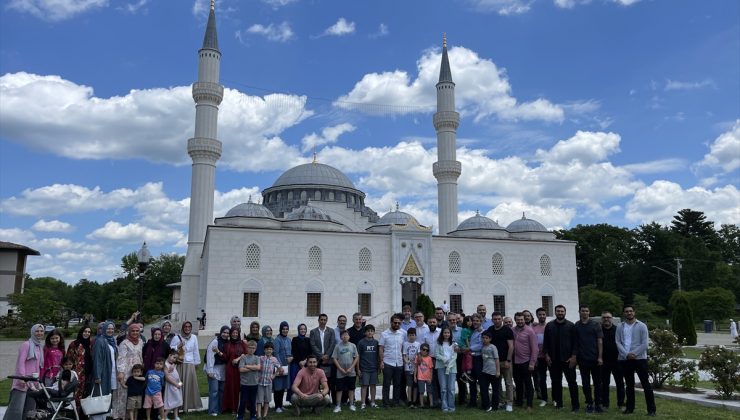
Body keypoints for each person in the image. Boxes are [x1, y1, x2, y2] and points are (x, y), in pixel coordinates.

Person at [616, 304, 656, 416]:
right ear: (624, 313)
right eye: (626, 311)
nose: (629, 313)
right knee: (629, 385)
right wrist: (626, 354)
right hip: (625, 359)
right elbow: (618, 342)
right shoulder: (620, 326)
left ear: (634, 312)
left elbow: (645, 343)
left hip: (640, 359)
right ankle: (629, 408)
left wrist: (634, 354)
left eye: (631, 311)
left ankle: (651, 410)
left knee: (646, 384)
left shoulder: (642, 326)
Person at [543, 304, 580, 412]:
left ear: (565, 312)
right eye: (558, 311)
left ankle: (575, 406)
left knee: (572, 383)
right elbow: (546, 343)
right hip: (554, 360)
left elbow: (576, 343)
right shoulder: (549, 326)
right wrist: (547, 355)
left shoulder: (571, 326)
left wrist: (574, 357)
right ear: (555, 312)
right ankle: (559, 404)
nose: (560, 313)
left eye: (562, 311)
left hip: (568, 360)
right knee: (556, 382)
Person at [4, 324, 44, 420]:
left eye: (41, 331)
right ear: (32, 332)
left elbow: (38, 365)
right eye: (37, 331)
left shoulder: (39, 346)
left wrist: (38, 380)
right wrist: (22, 378)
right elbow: (20, 363)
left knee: (30, 410)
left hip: (33, 382)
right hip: (23, 381)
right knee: (17, 409)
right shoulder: (26, 345)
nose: (39, 333)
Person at [575, 304, 604, 413]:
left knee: (597, 383)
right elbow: (576, 342)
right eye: (583, 311)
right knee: (585, 383)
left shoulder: (595, 324)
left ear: (589, 312)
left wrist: (600, 357)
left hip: (595, 358)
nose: (585, 313)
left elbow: (600, 341)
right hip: (583, 359)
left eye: (587, 311)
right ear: (580, 312)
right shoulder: (577, 325)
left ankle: (598, 404)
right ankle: (589, 403)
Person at [170, 321, 202, 412]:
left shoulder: (194, 337)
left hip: (190, 364)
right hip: (179, 364)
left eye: (189, 327)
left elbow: (195, 350)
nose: (187, 328)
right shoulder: (176, 337)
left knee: (188, 385)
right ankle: (177, 406)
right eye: (185, 326)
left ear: (191, 328)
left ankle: (186, 407)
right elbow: (171, 349)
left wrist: (196, 363)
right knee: (179, 385)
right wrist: (178, 346)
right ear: (183, 328)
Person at [114, 322, 144, 419]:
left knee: (135, 393)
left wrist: (142, 366)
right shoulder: (124, 343)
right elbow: (121, 357)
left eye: (137, 331)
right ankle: (122, 415)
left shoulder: (140, 342)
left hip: (137, 370)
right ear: (129, 332)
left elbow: (141, 355)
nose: (135, 333)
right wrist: (121, 372)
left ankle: (133, 416)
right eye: (133, 331)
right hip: (126, 371)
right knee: (124, 393)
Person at [90, 321, 118, 420]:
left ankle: (106, 416)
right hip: (103, 373)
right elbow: (97, 359)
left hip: (112, 372)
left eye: (112, 329)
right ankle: (98, 417)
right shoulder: (100, 341)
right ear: (104, 329)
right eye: (108, 328)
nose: (110, 330)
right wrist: (97, 375)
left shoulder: (113, 341)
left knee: (108, 396)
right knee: (101, 395)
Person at [486, 311, 514, 412]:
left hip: (506, 361)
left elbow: (511, 346)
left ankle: (509, 403)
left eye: (499, 319)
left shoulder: (507, 330)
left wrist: (508, 360)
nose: (497, 321)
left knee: (508, 382)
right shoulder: (490, 330)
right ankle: (500, 401)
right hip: (494, 362)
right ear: (492, 320)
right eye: (495, 319)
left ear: (502, 319)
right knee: (497, 383)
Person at [379, 313, 407, 407]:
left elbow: (404, 347)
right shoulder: (384, 334)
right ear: (391, 323)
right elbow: (381, 348)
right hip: (387, 362)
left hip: (399, 362)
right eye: (395, 323)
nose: (397, 325)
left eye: (399, 323)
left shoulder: (403, 333)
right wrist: (381, 361)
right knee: (386, 384)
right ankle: (386, 403)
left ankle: (396, 402)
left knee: (397, 384)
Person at [512, 312, 537, 412]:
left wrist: (532, 363)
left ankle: (529, 404)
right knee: (518, 383)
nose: (520, 321)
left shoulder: (529, 331)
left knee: (528, 384)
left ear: (524, 320)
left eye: (521, 319)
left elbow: (535, 349)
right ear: (515, 320)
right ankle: (519, 402)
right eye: (518, 320)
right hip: (515, 361)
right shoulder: (512, 330)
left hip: (526, 361)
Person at [601, 311, 625, 411]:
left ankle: (621, 404)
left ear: (612, 318)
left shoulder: (618, 330)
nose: (606, 319)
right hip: (603, 361)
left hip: (617, 360)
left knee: (620, 383)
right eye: (604, 318)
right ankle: (605, 404)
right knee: (604, 384)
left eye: (608, 317)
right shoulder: (598, 330)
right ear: (602, 319)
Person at [66, 325, 92, 414]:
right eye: (85, 331)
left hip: (87, 375)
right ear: (81, 332)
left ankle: (81, 415)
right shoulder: (74, 344)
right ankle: (73, 414)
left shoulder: (90, 344)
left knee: (84, 397)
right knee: (75, 395)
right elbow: (68, 359)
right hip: (77, 374)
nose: (87, 333)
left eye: (89, 332)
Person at [332, 330, 359, 412]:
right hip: (340, 372)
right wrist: (340, 369)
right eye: (343, 335)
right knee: (339, 389)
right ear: (340, 337)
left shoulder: (353, 346)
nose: (345, 336)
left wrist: (351, 368)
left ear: (349, 337)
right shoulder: (337, 346)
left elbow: (356, 357)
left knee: (351, 388)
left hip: (351, 372)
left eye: (346, 335)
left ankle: (351, 404)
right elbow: (334, 358)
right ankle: (338, 405)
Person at [205, 326, 229, 416]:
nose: (226, 334)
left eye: (227, 333)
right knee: (214, 390)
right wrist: (210, 370)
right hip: (214, 368)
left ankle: (220, 408)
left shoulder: (228, 342)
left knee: (221, 390)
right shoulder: (215, 341)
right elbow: (210, 356)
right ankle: (212, 410)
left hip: (223, 368)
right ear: (221, 332)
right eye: (224, 332)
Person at [223, 327, 247, 413]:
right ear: (230, 334)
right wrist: (219, 352)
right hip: (230, 369)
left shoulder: (242, 344)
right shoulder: (227, 344)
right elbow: (226, 357)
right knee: (231, 388)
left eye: (236, 333)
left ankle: (242, 407)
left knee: (240, 388)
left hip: (240, 368)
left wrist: (238, 359)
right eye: (233, 333)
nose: (235, 334)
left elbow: (246, 354)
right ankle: (232, 408)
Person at [308, 314, 335, 384]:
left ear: (326, 321)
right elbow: (312, 345)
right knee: (316, 381)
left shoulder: (331, 331)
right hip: (317, 360)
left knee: (328, 381)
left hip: (328, 360)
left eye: (324, 320)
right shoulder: (313, 332)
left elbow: (332, 344)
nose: (323, 321)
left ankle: (327, 395)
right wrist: (321, 356)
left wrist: (327, 355)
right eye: (321, 320)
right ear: (318, 320)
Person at [435, 326, 457, 412]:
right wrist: (444, 359)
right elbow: (437, 355)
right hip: (441, 367)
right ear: (442, 334)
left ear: (450, 334)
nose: (446, 334)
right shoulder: (438, 343)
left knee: (451, 388)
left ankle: (451, 406)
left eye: (448, 333)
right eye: (445, 332)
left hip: (452, 368)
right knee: (443, 388)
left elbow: (455, 356)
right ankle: (444, 406)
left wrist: (449, 364)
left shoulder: (454, 344)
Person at [357, 324, 379, 409]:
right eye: (368, 331)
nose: (370, 332)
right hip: (364, 368)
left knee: (373, 385)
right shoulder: (361, 342)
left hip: (374, 368)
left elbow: (378, 355)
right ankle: (363, 403)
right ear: (365, 332)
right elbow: (358, 356)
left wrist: (378, 366)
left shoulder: (376, 342)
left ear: (373, 332)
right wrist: (358, 368)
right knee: (364, 385)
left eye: (371, 331)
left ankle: (373, 402)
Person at [237, 340, 260, 420]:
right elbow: (241, 370)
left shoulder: (257, 358)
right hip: (245, 384)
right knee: (243, 401)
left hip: (254, 383)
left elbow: (258, 367)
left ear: (255, 349)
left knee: (253, 401)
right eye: (250, 348)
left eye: (253, 348)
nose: (251, 350)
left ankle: (253, 415)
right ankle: (240, 415)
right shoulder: (243, 357)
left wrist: (247, 366)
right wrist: (252, 367)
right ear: (247, 348)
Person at [272, 321, 292, 413]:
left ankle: (281, 405)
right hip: (279, 366)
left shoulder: (288, 339)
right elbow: (275, 353)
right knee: (278, 387)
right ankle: (277, 406)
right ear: (280, 329)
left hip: (287, 366)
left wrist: (291, 358)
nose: (285, 330)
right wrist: (279, 366)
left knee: (284, 386)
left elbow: (291, 351)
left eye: (286, 329)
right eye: (283, 329)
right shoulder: (277, 340)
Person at [257, 342, 280, 419]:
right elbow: (257, 367)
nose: (268, 351)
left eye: (270, 349)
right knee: (259, 399)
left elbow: (279, 368)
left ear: (272, 350)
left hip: (269, 382)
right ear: (264, 350)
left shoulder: (274, 359)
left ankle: (265, 415)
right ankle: (259, 415)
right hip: (260, 382)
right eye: (267, 349)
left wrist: (274, 375)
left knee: (267, 399)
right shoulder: (261, 358)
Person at [289, 324, 311, 403]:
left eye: (304, 329)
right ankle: (295, 400)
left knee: (305, 382)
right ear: (298, 330)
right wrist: (300, 362)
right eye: (301, 329)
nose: (303, 330)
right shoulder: (295, 339)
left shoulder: (308, 340)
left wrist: (305, 361)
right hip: (296, 365)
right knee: (296, 382)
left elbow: (310, 352)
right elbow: (294, 352)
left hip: (306, 364)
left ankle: (305, 400)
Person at [479, 332, 500, 412]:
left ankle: (495, 406)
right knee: (484, 389)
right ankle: (486, 405)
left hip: (493, 372)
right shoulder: (483, 347)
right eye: (483, 338)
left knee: (495, 390)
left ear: (490, 339)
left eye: (486, 338)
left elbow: (497, 359)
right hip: (485, 371)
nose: (484, 339)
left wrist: (498, 371)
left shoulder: (493, 347)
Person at [467, 313, 485, 409]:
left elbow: (481, 345)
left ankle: (484, 402)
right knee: (471, 381)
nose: (475, 322)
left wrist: (469, 348)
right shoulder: (473, 332)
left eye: (477, 321)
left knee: (481, 381)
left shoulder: (483, 332)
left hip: (479, 359)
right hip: (471, 359)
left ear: (481, 321)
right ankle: (472, 401)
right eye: (474, 321)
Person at [532, 307, 548, 407]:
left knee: (555, 379)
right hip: (539, 357)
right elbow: (533, 344)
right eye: (540, 314)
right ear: (537, 316)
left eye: (543, 314)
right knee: (542, 379)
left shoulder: (550, 326)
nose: (542, 316)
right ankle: (544, 399)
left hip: (549, 357)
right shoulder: (534, 328)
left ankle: (555, 398)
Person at [402, 327, 420, 407]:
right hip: (408, 367)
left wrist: (417, 362)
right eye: (410, 335)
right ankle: (409, 400)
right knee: (409, 384)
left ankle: (414, 400)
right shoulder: (405, 344)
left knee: (415, 385)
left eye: (413, 335)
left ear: (415, 335)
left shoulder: (418, 344)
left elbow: (419, 355)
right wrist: (407, 361)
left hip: (416, 368)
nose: (411, 336)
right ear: (407, 336)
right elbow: (404, 355)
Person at [163, 351, 183, 420]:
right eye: (173, 357)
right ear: (169, 355)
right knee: (175, 400)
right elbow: (167, 377)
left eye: (175, 358)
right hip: (172, 385)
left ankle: (176, 416)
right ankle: (164, 415)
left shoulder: (172, 363)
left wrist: (179, 382)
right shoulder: (165, 364)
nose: (174, 359)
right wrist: (176, 384)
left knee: (177, 399)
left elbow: (181, 359)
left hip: (177, 384)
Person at [414, 343, 433, 409]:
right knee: (421, 391)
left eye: (427, 350)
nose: (425, 351)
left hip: (428, 378)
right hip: (420, 377)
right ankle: (422, 404)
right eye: (424, 349)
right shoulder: (418, 357)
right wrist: (415, 377)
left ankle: (431, 404)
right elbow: (416, 367)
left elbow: (431, 369)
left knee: (430, 392)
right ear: (421, 350)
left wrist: (430, 378)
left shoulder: (429, 358)